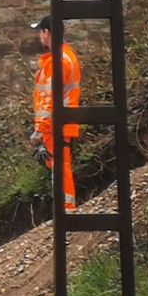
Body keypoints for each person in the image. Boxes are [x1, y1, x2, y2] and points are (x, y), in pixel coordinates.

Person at [32, 16, 82, 213]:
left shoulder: (57, 62)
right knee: (60, 165)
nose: (39, 37)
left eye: (40, 32)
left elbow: (48, 98)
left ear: (47, 32)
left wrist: (39, 130)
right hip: (64, 122)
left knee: (61, 166)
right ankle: (65, 208)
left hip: (56, 125)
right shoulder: (67, 56)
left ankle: (67, 210)